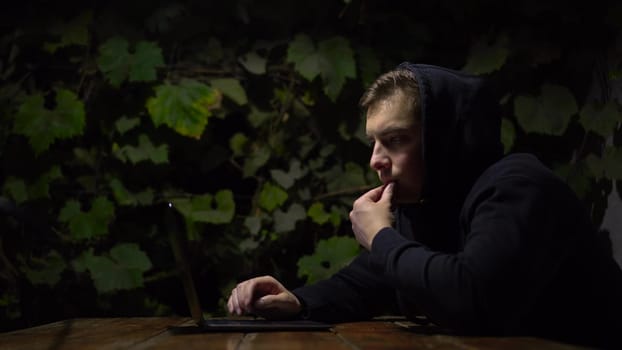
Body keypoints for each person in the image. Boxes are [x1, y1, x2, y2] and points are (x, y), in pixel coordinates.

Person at [227, 62, 622, 348]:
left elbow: (471, 297)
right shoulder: (432, 204)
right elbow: (366, 282)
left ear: (443, 139)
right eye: (374, 143)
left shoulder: (519, 187)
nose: (375, 160)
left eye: (396, 139)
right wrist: (298, 301)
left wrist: (380, 236)